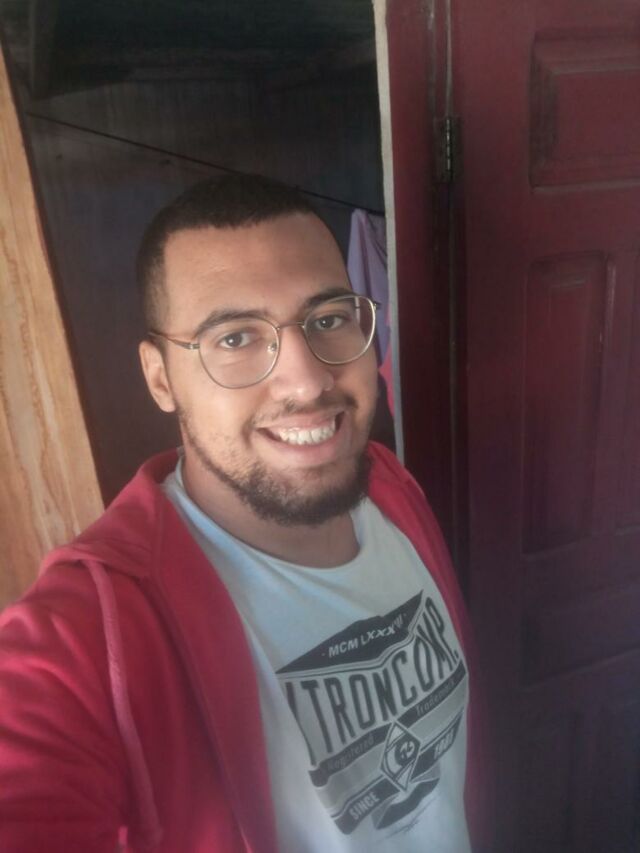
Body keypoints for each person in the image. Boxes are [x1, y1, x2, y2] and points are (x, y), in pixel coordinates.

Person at [0, 174, 488, 852]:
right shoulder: (89, 636)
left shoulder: (390, 488)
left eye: (328, 319)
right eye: (234, 338)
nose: (309, 380)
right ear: (161, 378)